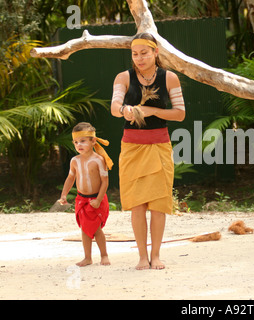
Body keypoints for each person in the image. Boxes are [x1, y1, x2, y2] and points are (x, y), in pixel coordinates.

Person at [110, 33, 186, 270]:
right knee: (137, 204)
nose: (139, 58)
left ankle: (156, 255)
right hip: (132, 148)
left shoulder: (170, 78)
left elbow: (180, 113)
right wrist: (125, 111)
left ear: (155, 53)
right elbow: (114, 107)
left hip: (159, 146)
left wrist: (152, 111)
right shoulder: (123, 77)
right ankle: (142, 256)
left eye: (144, 53)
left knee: (159, 204)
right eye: (135, 53)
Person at [59, 122, 113, 267]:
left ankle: (104, 255)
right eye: (76, 142)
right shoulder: (74, 161)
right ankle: (87, 257)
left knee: (96, 229)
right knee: (84, 228)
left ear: (93, 141)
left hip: (96, 199)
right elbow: (70, 178)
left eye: (83, 141)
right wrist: (64, 194)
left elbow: (105, 182)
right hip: (81, 199)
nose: (79, 145)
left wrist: (98, 200)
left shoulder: (99, 160)